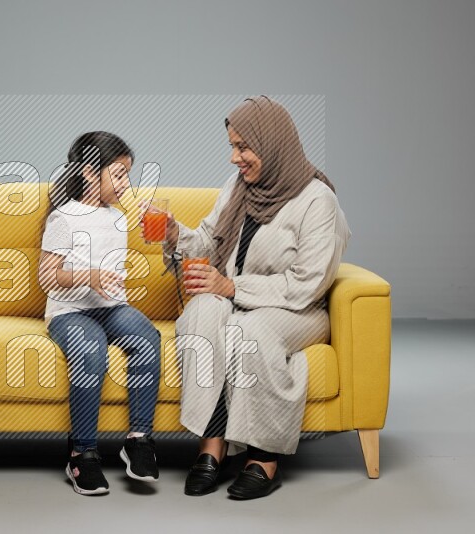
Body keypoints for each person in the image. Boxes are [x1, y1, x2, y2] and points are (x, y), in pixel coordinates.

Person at [147, 96, 351, 500]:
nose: (234, 158)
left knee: (251, 331)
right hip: (238, 297)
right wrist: (175, 235)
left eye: (243, 147)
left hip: (295, 309)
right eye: (232, 146)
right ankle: (212, 443)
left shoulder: (317, 201)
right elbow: (208, 241)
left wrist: (234, 287)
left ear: (273, 143)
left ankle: (264, 456)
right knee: (201, 311)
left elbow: (308, 282)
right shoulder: (238, 188)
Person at [39, 131, 162, 496]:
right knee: (90, 350)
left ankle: (138, 439)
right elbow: (47, 277)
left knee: (146, 338)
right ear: (91, 173)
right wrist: (89, 277)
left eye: (128, 173)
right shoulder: (64, 217)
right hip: (69, 312)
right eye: (120, 173)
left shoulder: (117, 218)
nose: (126, 182)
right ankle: (82, 454)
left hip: (111, 308)